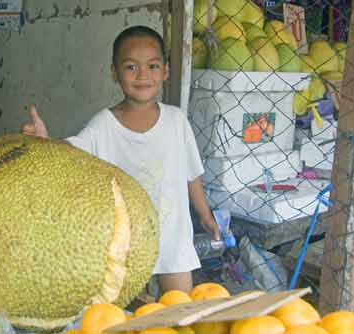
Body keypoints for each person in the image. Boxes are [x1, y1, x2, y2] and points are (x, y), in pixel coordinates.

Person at [22, 25, 220, 294]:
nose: (142, 75)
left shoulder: (176, 121)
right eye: (130, 67)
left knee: (180, 308)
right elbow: (72, 150)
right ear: (114, 73)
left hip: (173, 237)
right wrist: (46, 141)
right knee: (127, 314)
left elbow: (191, 174)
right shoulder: (104, 124)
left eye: (152, 66)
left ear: (166, 71)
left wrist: (205, 215)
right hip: (126, 243)